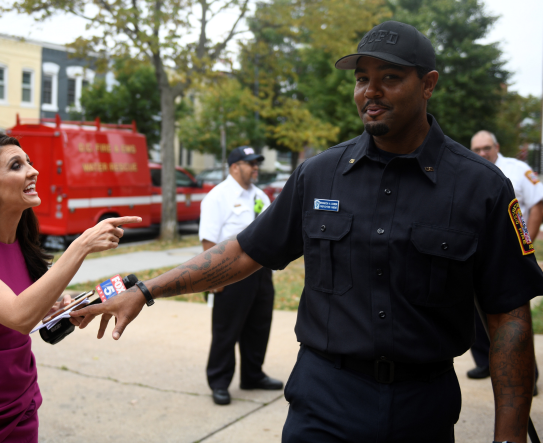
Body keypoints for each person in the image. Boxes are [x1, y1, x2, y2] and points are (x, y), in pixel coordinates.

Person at [72, 21, 543, 443]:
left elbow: (510, 321)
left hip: (423, 406)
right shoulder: (319, 175)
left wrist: (508, 438)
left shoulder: (481, 187)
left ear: (428, 85)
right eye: (362, 79)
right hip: (324, 400)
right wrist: (145, 290)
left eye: (390, 78)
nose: (370, 92)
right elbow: (242, 253)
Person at [0, 133, 140, 442]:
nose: (33, 171)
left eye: (30, 163)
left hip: (19, 398)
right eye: (16, 165)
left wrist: (63, 305)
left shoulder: (23, 244)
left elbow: (29, 307)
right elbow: (18, 315)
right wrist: (80, 246)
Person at [199, 146, 282, 405]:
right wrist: (214, 279)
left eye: (257, 163)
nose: (255, 167)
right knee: (226, 330)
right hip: (230, 274)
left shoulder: (260, 196)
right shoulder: (217, 197)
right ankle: (219, 381)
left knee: (259, 326)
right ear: (234, 167)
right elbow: (208, 242)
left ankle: (252, 375)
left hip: (260, 271)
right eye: (250, 163)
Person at [469, 130, 543, 389]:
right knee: (476, 314)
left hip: (508, 253)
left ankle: (526, 377)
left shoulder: (518, 169)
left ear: (497, 147)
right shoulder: (466, 170)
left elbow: (538, 204)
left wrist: (527, 244)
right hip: (476, 255)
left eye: (486, 148)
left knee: (513, 318)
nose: (482, 153)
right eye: (477, 149)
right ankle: (485, 362)